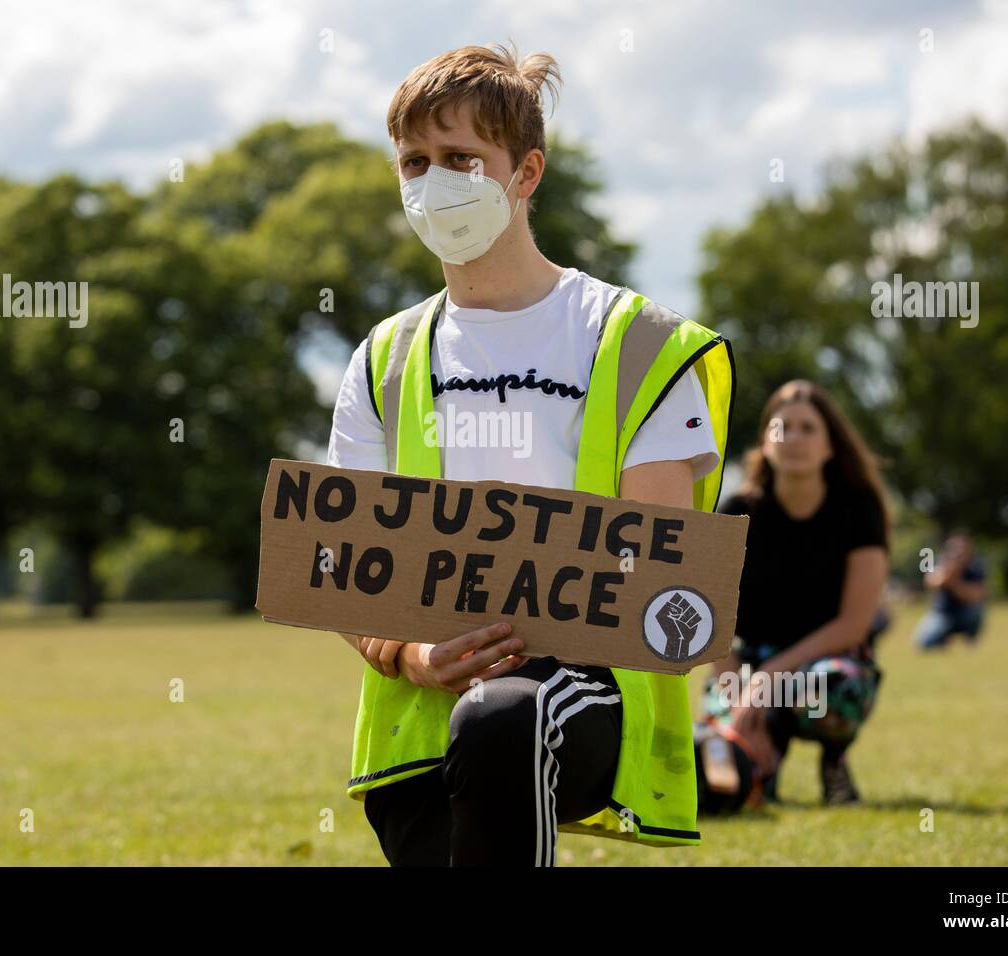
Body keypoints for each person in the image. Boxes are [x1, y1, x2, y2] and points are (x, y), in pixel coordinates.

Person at [324, 42, 735, 865]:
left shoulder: (636, 342)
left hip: (582, 687)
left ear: (527, 172)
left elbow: (663, 564)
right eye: (414, 161)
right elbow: (340, 560)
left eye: (461, 158)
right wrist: (409, 653)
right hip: (420, 703)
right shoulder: (383, 356)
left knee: (504, 718)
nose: (433, 181)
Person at [695, 380, 890, 809]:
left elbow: (853, 624)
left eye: (808, 428)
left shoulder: (859, 510)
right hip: (745, 663)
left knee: (833, 688)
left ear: (830, 446)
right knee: (720, 769)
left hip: (821, 666)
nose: (794, 439)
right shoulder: (737, 511)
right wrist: (736, 694)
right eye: (782, 428)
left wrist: (765, 684)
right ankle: (764, 764)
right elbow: (711, 617)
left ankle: (834, 758)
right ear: (765, 443)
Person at [914, 531, 987, 651]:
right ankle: (943, 639)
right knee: (924, 643)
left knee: (977, 611)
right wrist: (948, 574)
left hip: (965, 614)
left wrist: (954, 583)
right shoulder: (941, 562)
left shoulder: (975, 567)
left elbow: (976, 595)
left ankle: (970, 639)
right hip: (942, 613)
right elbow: (930, 581)